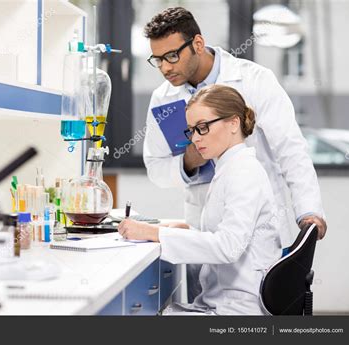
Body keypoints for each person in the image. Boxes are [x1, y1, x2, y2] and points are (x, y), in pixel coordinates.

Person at [141, 7, 326, 301]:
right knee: (206, 299)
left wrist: (308, 211)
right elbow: (155, 167)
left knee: (245, 299)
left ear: (197, 44)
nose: (165, 68)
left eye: (172, 56)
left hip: (252, 225)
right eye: (157, 60)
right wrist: (190, 160)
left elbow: (290, 148)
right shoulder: (164, 100)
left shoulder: (253, 79)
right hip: (201, 223)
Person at [119, 85, 282, 315]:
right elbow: (225, 231)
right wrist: (186, 228)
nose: (194, 139)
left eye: (202, 128)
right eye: (191, 130)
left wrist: (153, 233)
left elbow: (228, 247)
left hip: (239, 308)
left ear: (234, 123)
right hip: (222, 301)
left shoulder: (243, 173)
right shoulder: (228, 167)